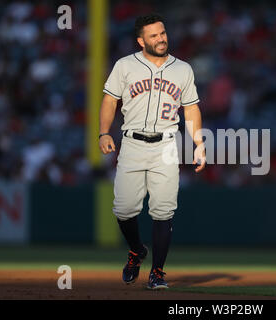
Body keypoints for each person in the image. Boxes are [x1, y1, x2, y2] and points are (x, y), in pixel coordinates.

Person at [98, 13, 206, 290]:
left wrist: (198, 143)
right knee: (123, 209)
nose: (161, 38)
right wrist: (103, 131)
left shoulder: (182, 69)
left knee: (163, 211)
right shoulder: (125, 66)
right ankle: (136, 250)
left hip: (167, 144)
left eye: (162, 33)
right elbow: (110, 100)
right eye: (154, 35)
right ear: (140, 40)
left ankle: (157, 273)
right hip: (132, 142)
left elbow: (191, 108)